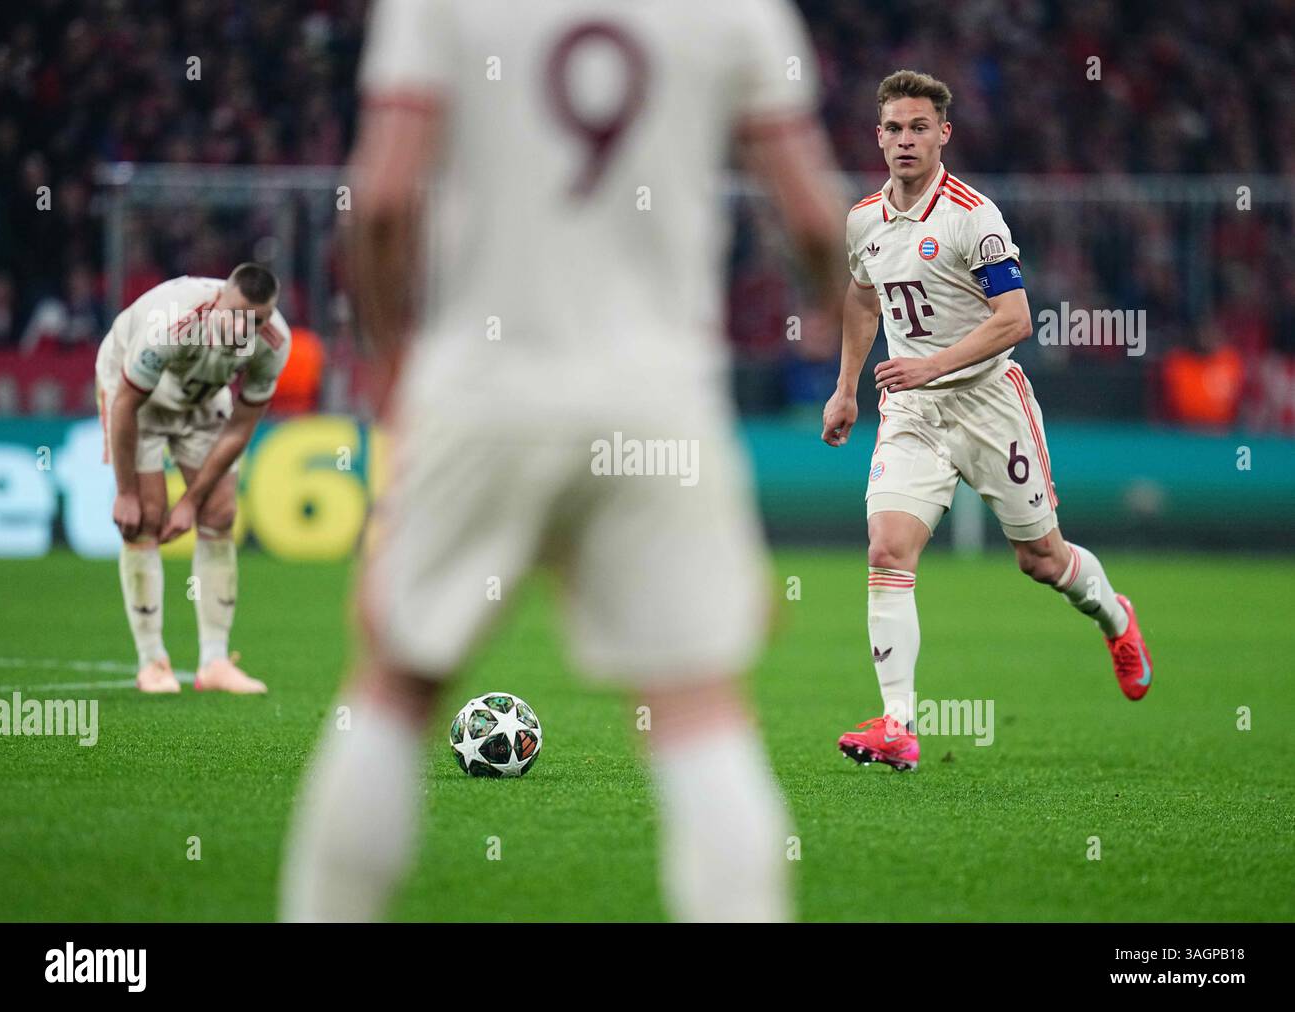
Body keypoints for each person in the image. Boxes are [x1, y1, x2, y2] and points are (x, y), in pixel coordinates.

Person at [281, 0, 845, 922]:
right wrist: (838, 307)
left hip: (483, 382)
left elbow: (380, 200)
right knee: (697, 708)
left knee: (395, 684)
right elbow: (816, 219)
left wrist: (396, 364)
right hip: (659, 392)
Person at [824, 71, 1153, 772]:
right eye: (893, 128)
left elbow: (1015, 320)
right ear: (877, 135)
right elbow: (860, 297)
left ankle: (1115, 619)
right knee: (887, 549)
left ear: (944, 134)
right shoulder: (863, 221)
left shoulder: (975, 217)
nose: (905, 140)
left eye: (919, 128)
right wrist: (846, 386)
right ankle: (898, 724)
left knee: (1042, 561)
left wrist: (931, 363)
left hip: (988, 404)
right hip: (910, 409)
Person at [97, 263, 291, 694]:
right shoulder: (170, 322)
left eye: (258, 319)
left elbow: (242, 425)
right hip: (137, 401)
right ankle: (152, 663)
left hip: (202, 401)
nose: (248, 327)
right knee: (143, 518)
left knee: (219, 513)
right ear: (221, 296)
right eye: (239, 313)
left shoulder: (274, 342)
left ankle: (215, 662)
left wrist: (191, 500)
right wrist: (125, 491)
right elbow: (126, 404)